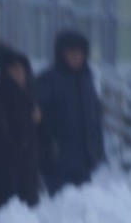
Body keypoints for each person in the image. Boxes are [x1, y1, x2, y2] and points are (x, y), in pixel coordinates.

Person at [36, 30, 106, 196]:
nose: (76, 57)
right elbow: (35, 113)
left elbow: (94, 117)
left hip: (84, 158)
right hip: (57, 159)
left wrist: (97, 150)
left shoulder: (87, 79)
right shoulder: (49, 80)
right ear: (62, 54)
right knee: (62, 206)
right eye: (71, 53)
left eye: (80, 53)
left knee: (84, 205)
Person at [0, 43, 41, 213]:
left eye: (21, 70)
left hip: (28, 172)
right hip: (5, 174)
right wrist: (13, 154)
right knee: (7, 222)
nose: (19, 74)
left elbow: (33, 131)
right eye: (14, 70)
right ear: (6, 72)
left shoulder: (28, 96)